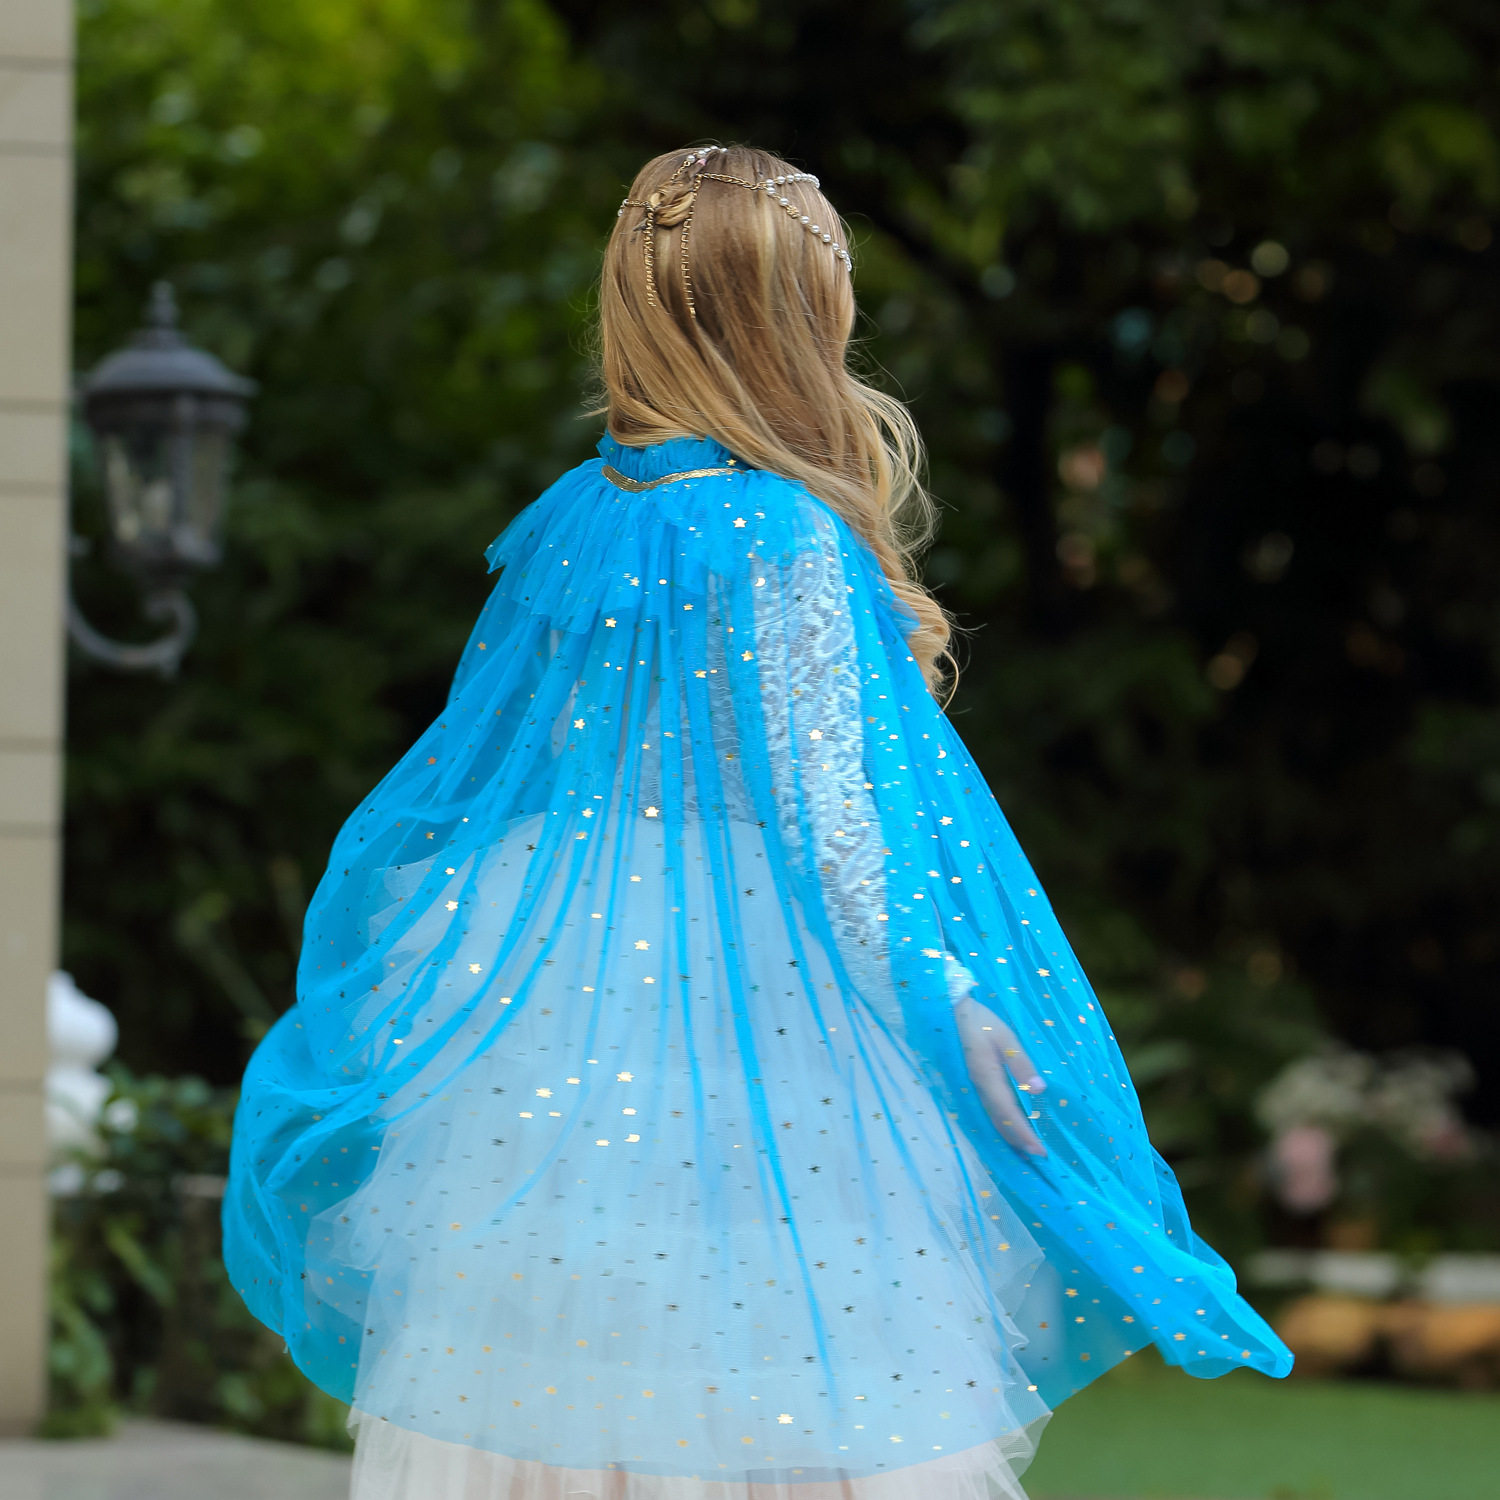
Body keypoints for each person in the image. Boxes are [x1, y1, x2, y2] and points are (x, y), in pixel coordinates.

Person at [223, 143, 1291, 1500]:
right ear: (791, 311)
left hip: (552, 972)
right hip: (766, 983)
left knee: (550, 1336)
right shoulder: (779, 530)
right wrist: (942, 990)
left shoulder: (571, 516)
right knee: (784, 1352)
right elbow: (831, 816)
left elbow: (508, 763)